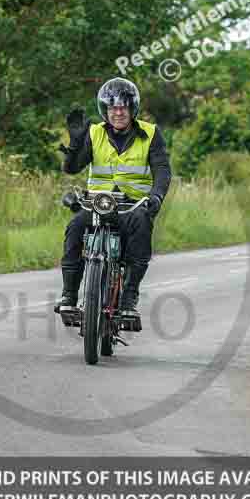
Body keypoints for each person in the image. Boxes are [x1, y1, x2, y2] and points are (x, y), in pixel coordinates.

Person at [54, 77, 171, 318]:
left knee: (141, 230)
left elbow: (162, 169)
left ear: (132, 109)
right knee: (75, 227)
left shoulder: (150, 134)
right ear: (105, 110)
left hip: (133, 205)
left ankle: (129, 298)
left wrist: (156, 197)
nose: (118, 112)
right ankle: (69, 295)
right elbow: (72, 168)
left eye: (123, 107)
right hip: (98, 203)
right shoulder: (94, 133)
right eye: (112, 108)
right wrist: (76, 144)